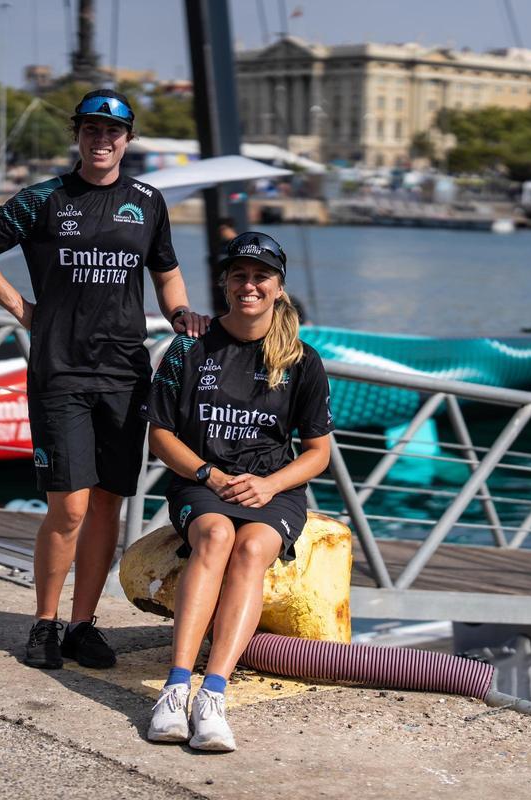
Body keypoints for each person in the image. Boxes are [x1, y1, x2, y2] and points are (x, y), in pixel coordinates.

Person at [0, 88, 208, 671]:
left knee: (107, 506)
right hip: (60, 370)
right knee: (68, 505)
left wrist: (180, 314)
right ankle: (44, 622)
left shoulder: (147, 201)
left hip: (124, 373)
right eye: (91, 130)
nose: (101, 140)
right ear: (78, 135)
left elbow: (165, 271)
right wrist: (21, 308)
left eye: (112, 131)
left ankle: (83, 624)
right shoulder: (44, 199)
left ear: (127, 139)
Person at [140, 231, 334, 751]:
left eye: (260, 276)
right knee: (217, 537)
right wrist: (210, 476)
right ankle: (177, 688)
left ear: (278, 287)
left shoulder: (301, 360)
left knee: (251, 549)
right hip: (202, 480)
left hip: (272, 487)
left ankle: (213, 696)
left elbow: (318, 452)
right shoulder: (189, 348)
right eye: (239, 275)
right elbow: (160, 435)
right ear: (225, 284)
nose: (250, 285)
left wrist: (269, 484)